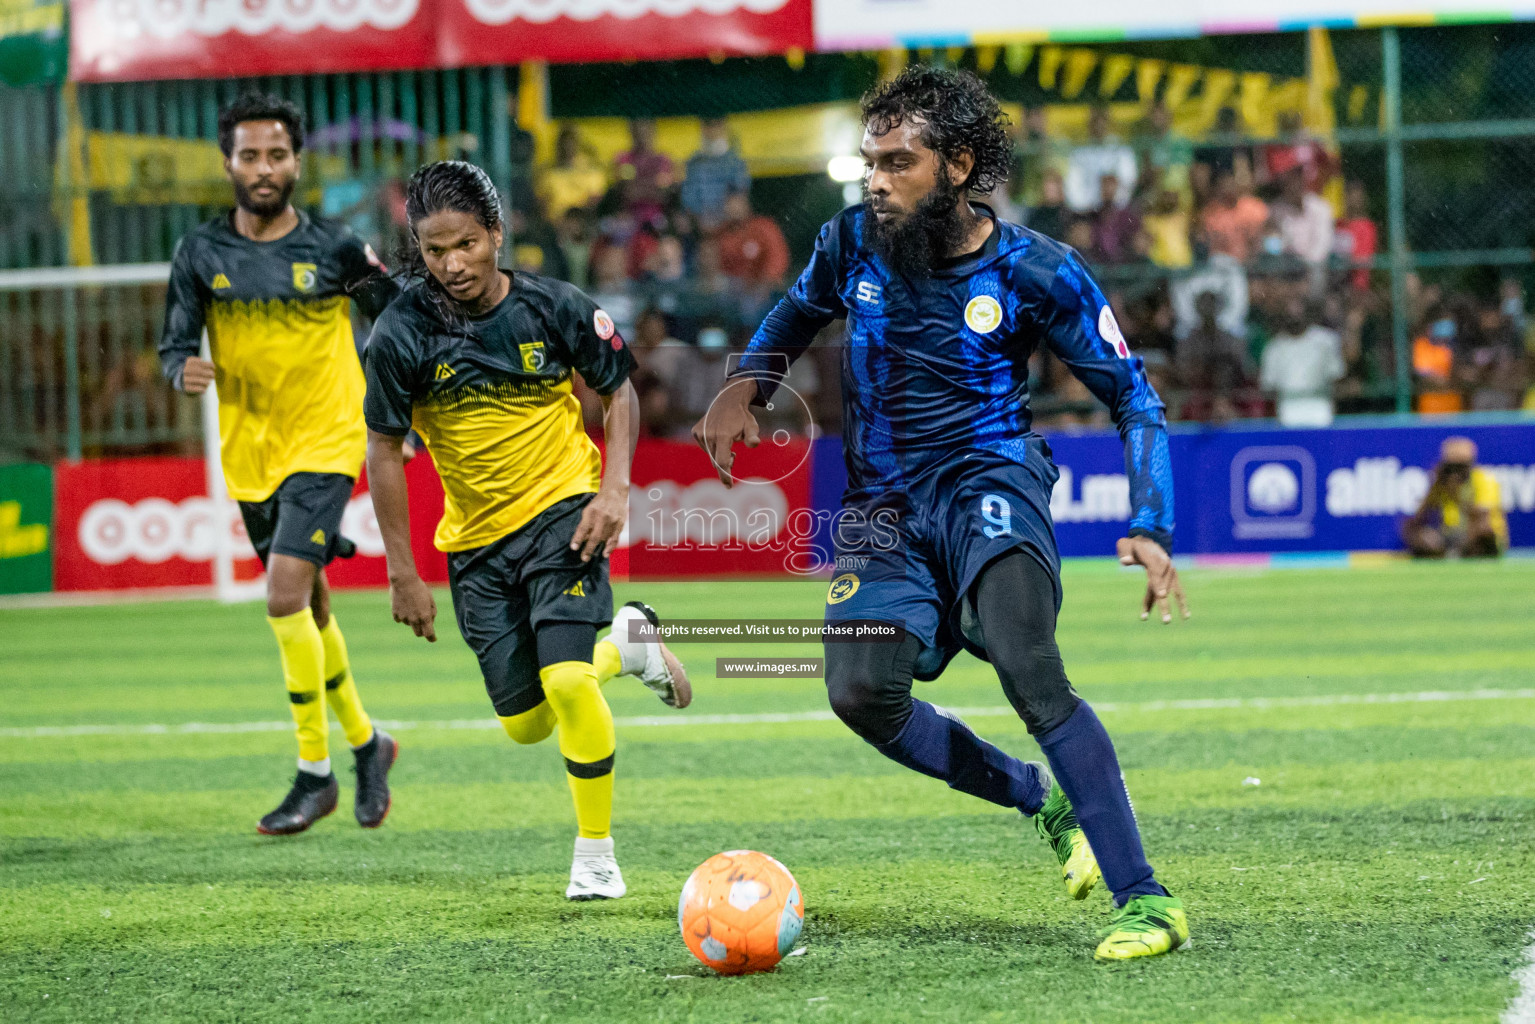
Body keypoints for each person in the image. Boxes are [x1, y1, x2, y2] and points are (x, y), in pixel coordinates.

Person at [692, 66, 1190, 961]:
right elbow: (795, 312)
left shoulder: (1040, 270)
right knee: (859, 694)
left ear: (958, 165)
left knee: (1026, 664)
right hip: (880, 508)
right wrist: (746, 383)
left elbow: (1135, 400)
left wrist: (1151, 523)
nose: (874, 180)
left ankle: (1146, 901)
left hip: (990, 486)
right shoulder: (849, 242)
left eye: (896, 161)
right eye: (868, 161)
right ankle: (1036, 797)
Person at [362, 161, 691, 901]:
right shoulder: (400, 334)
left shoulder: (553, 307)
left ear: (496, 235)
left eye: (467, 245)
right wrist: (401, 572)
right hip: (475, 545)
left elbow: (618, 390)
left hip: (563, 513)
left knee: (567, 682)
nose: (452, 265)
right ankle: (629, 646)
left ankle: (596, 856)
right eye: (434, 250)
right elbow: (383, 450)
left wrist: (613, 489)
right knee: (526, 725)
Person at [159, 93, 401, 837]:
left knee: (282, 594)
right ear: (227, 162)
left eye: (277, 155)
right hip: (250, 451)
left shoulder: (336, 249)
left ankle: (314, 773)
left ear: (297, 162)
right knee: (310, 607)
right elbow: (174, 343)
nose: (264, 169)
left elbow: (395, 321)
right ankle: (369, 743)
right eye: (250, 155)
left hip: (326, 440)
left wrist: (404, 412)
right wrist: (181, 370)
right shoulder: (200, 254)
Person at [1403, 437, 1508, 558]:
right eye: (1451, 467)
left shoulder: (1483, 479)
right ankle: (1449, 552)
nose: (1455, 473)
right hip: (1450, 535)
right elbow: (1418, 516)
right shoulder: (1440, 483)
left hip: (1477, 536)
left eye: (1460, 467)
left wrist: (1457, 496)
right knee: (1415, 533)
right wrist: (1435, 486)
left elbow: (1481, 517)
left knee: (1483, 529)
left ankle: (1458, 552)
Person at [1259, 297, 1345, 426]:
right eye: (1290, 312)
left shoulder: (1326, 340)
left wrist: (1332, 406)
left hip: (1319, 403)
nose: (1294, 315)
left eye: (1298, 310)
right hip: (1288, 406)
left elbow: (1336, 377)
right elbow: (1270, 386)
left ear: (1306, 313)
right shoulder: (1274, 347)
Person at [680, 117, 751, 230]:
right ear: (702, 128)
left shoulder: (734, 162)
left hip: (727, 228)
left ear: (723, 127)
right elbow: (688, 199)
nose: (711, 131)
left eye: (716, 125)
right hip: (699, 228)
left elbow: (739, 202)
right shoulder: (693, 162)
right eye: (708, 125)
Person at [1064, 105, 1136, 214]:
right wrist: (1092, 203)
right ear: (1089, 125)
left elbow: (1129, 182)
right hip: (1086, 212)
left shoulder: (1121, 150)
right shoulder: (1080, 152)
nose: (1099, 127)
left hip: (1116, 212)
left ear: (1110, 124)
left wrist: (1113, 202)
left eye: (1102, 122)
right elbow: (1073, 190)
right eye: (1095, 122)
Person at [537, 124, 609, 222]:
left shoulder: (591, 171)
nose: (568, 147)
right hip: (556, 223)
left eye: (571, 142)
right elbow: (542, 203)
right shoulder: (549, 174)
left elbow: (596, 199)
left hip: (583, 221)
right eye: (564, 143)